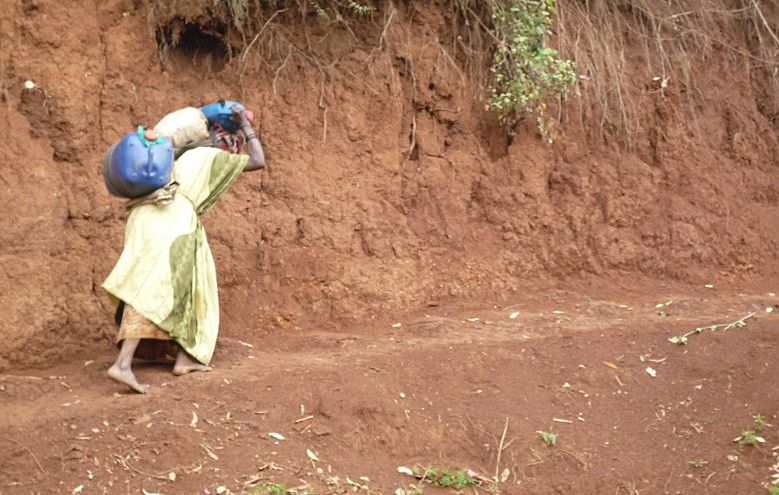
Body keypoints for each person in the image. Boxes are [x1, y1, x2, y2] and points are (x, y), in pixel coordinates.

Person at [102, 106, 265, 393]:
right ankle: (123, 364)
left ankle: (185, 357)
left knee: (186, 287)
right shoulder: (207, 156)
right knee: (153, 290)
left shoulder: (170, 160)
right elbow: (257, 160)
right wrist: (246, 127)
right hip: (171, 223)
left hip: (147, 218)